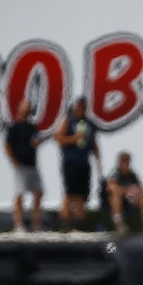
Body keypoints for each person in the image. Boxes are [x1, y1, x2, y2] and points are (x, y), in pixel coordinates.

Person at [55, 96, 100, 231]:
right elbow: (58, 137)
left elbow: (93, 143)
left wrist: (98, 160)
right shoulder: (69, 121)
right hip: (71, 161)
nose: (81, 109)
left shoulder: (89, 124)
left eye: (83, 107)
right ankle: (64, 220)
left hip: (84, 161)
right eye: (79, 107)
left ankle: (81, 221)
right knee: (70, 192)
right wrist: (74, 139)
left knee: (82, 193)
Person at [4, 99, 45, 232]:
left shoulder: (32, 127)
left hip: (32, 164)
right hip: (21, 164)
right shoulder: (14, 127)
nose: (26, 112)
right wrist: (14, 161)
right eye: (24, 109)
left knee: (38, 192)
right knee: (20, 193)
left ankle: (36, 223)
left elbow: (35, 140)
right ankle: (19, 224)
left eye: (28, 109)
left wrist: (37, 143)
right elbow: (7, 146)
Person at [106, 151, 143, 234]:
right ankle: (119, 224)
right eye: (123, 161)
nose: (125, 163)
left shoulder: (132, 175)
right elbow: (113, 189)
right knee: (115, 199)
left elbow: (140, 188)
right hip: (119, 201)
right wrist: (127, 190)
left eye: (127, 161)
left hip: (130, 200)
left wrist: (137, 192)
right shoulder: (115, 174)